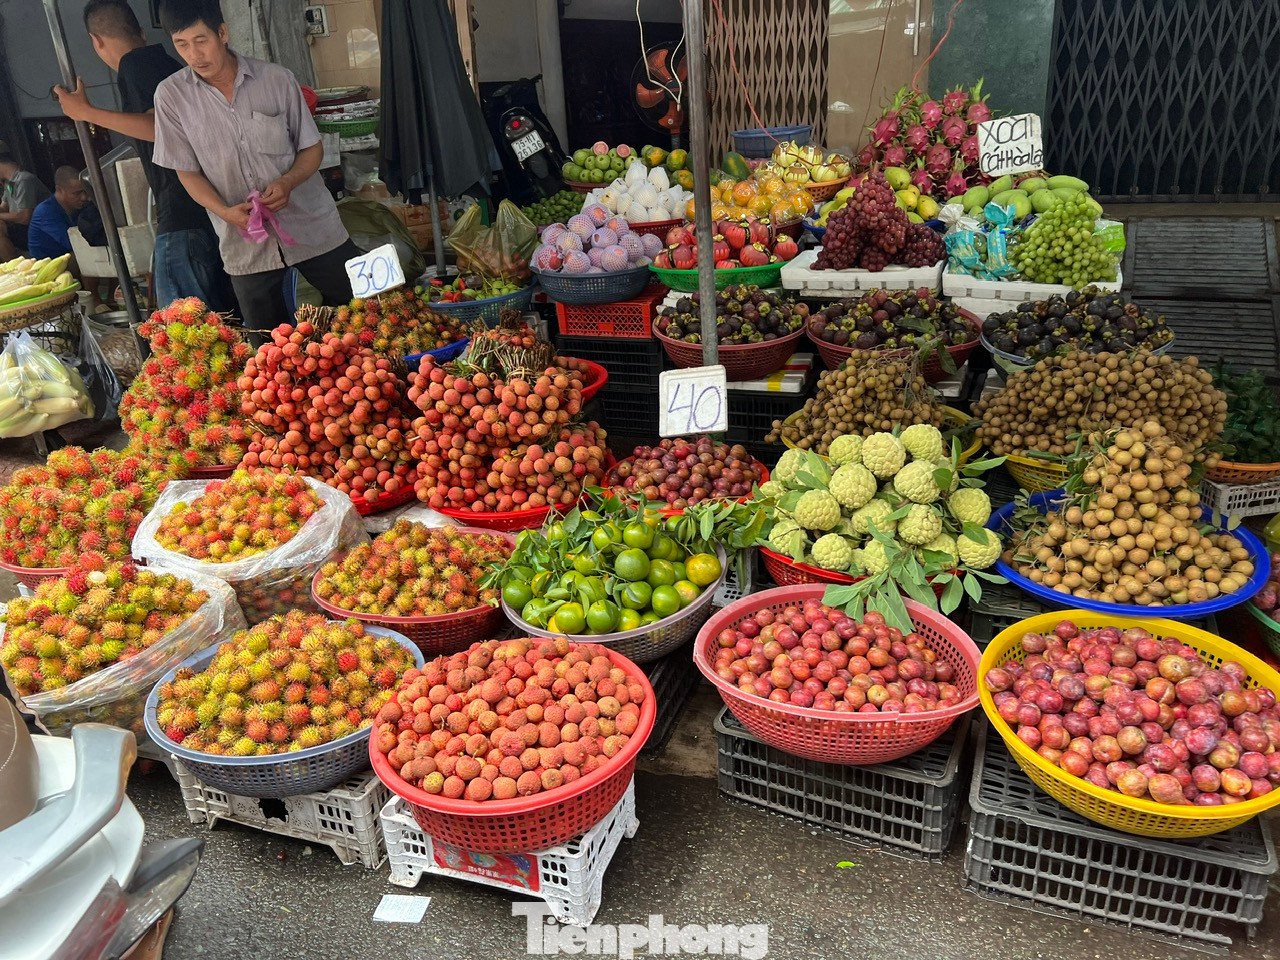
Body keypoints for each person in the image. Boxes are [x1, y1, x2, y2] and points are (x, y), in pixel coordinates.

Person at [152, 0, 357, 344]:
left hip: (313, 226)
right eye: (181, 45)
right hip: (245, 244)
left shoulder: (276, 79)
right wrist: (224, 213)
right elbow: (187, 173)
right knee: (269, 345)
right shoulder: (171, 97)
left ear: (222, 32)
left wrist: (288, 181)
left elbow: (312, 148)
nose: (194, 54)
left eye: (201, 40)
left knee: (361, 314)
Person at [53, 0, 234, 312]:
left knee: (184, 335)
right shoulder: (166, 64)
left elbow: (160, 126)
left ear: (97, 41)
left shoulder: (136, 65)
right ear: (141, 32)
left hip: (183, 218)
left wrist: (87, 112)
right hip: (207, 214)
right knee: (216, 331)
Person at [27, 166, 91, 260]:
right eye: (77, 193)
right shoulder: (45, 212)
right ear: (60, 190)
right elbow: (75, 244)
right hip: (49, 264)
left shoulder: (77, 207)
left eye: (85, 192)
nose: (84, 198)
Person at [0, 153, 52, 261]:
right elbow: (4, 208)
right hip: (22, 229)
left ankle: (15, 270)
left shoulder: (24, 180)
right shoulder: (9, 183)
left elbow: (24, 217)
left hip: (40, 230)